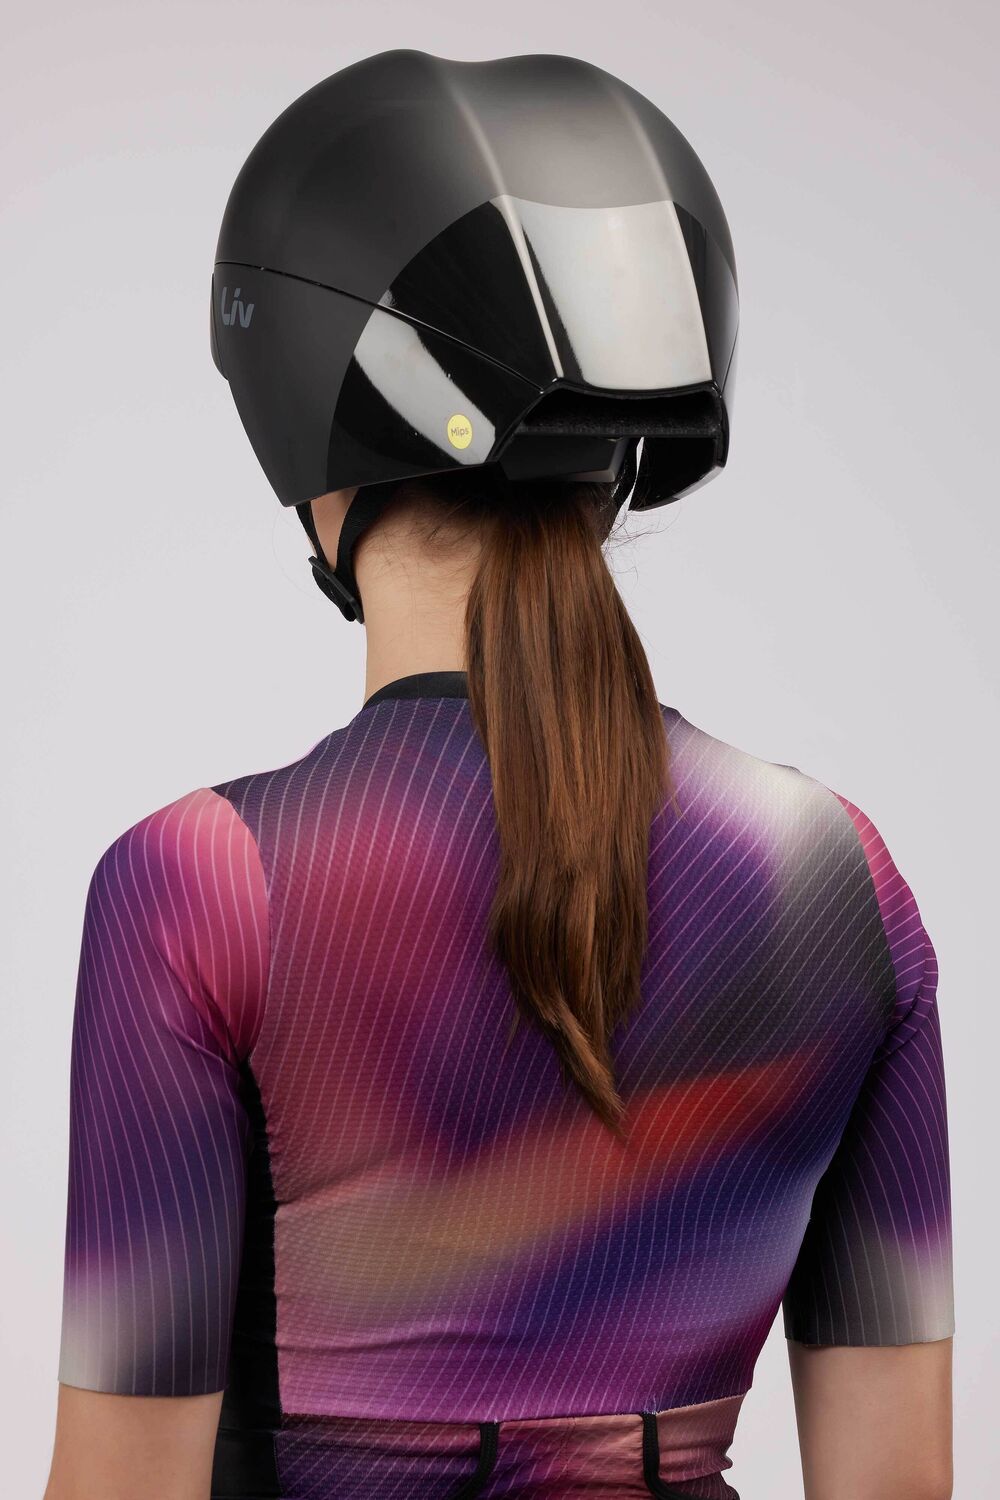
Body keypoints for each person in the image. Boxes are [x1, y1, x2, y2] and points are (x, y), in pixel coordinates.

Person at [43, 49, 954, 1500]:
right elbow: (898, 1481)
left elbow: (120, 1485)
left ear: (309, 424)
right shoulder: (842, 881)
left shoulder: (197, 888)